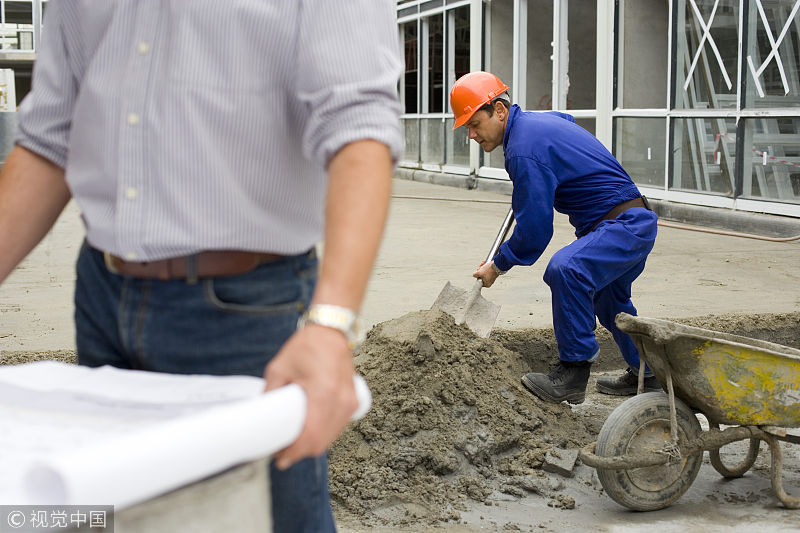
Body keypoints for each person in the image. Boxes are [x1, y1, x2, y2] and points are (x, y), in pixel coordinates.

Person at [0, 2, 402, 531]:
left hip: (247, 311)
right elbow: (50, 138)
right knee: (113, 514)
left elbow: (360, 124)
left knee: (270, 519)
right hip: (101, 293)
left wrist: (331, 325)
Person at [450, 71, 660, 405]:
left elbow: (535, 230)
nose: (472, 135)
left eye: (475, 124)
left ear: (500, 111)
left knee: (567, 269)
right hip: (628, 223)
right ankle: (648, 373)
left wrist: (498, 264)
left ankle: (573, 373)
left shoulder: (523, 148)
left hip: (623, 226)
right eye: (467, 128)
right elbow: (566, 120)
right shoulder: (535, 126)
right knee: (609, 302)